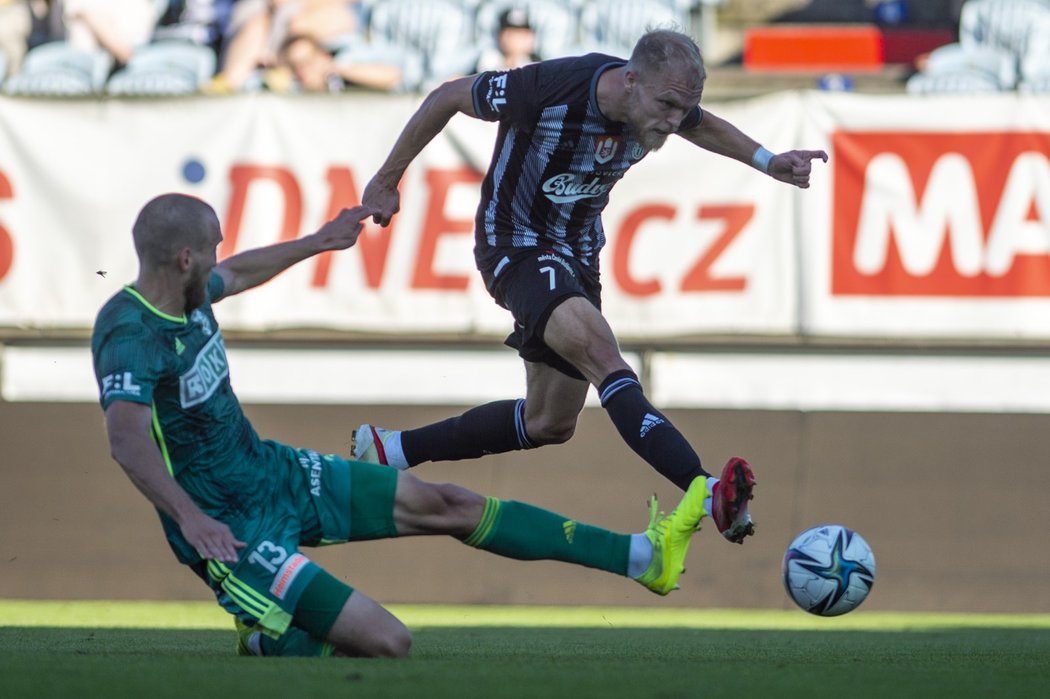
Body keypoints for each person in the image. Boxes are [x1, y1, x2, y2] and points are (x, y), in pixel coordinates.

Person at [92, 192, 712, 658]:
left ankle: (642, 557)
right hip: (228, 527)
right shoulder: (130, 332)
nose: (221, 259)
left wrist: (322, 240)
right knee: (389, 643)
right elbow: (127, 442)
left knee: (450, 503)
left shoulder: (191, 291)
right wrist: (192, 520)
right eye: (214, 248)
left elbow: (243, 273)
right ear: (184, 258)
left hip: (274, 472)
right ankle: (268, 638)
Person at [359, 29, 830, 544]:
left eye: (683, 109)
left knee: (549, 423)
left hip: (579, 254)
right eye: (668, 105)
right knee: (607, 358)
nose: (674, 122)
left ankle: (392, 450)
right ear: (630, 81)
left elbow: (702, 125)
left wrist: (768, 162)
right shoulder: (546, 88)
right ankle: (706, 490)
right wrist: (387, 180)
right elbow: (448, 96)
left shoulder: (661, 104)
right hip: (515, 244)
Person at [473, 6, 541, 73]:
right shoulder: (485, 63)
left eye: (518, 34)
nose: (510, 39)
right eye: (507, 33)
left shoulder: (538, 68)